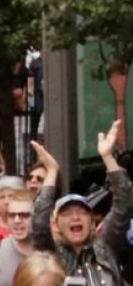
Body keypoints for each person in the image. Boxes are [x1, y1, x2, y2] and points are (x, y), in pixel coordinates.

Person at [30, 120, 131, 285]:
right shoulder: (50, 254)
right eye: (67, 213)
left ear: (92, 221)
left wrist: (107, 157)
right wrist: (52, 171)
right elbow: (39, 220)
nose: (75, 217)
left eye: (83, 212)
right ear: (55, 225)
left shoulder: (105, 246)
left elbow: (124, 203)